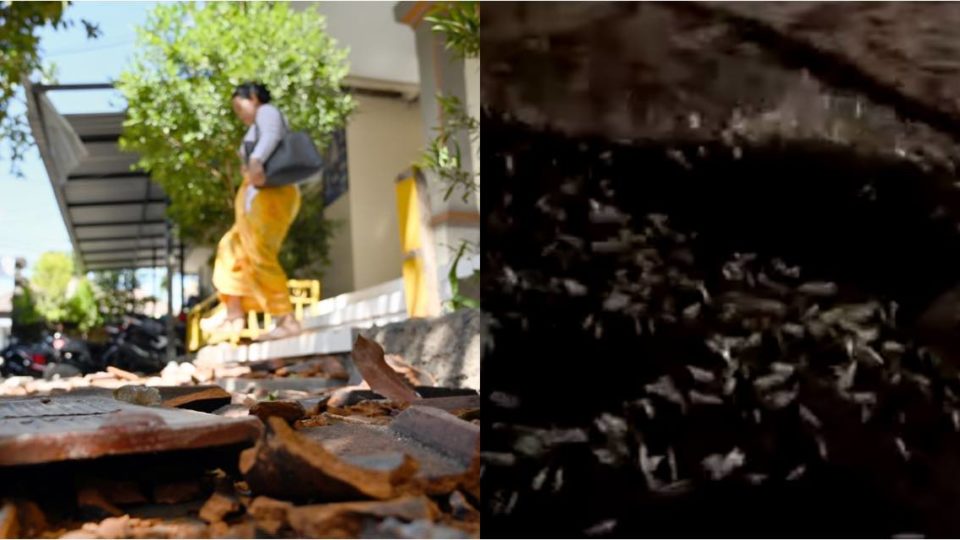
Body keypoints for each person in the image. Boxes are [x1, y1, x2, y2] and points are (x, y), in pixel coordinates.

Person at [201, 82, 302, 341]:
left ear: (254, 97)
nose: (240, 114)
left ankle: (286, 320)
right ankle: (234, 312)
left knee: (259, 254)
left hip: (272, 196)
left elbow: (272, 133)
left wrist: (255, 159)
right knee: (230, 247)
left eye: (239, 106)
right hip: (257, 200)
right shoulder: (255, 124)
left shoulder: (266, 111)